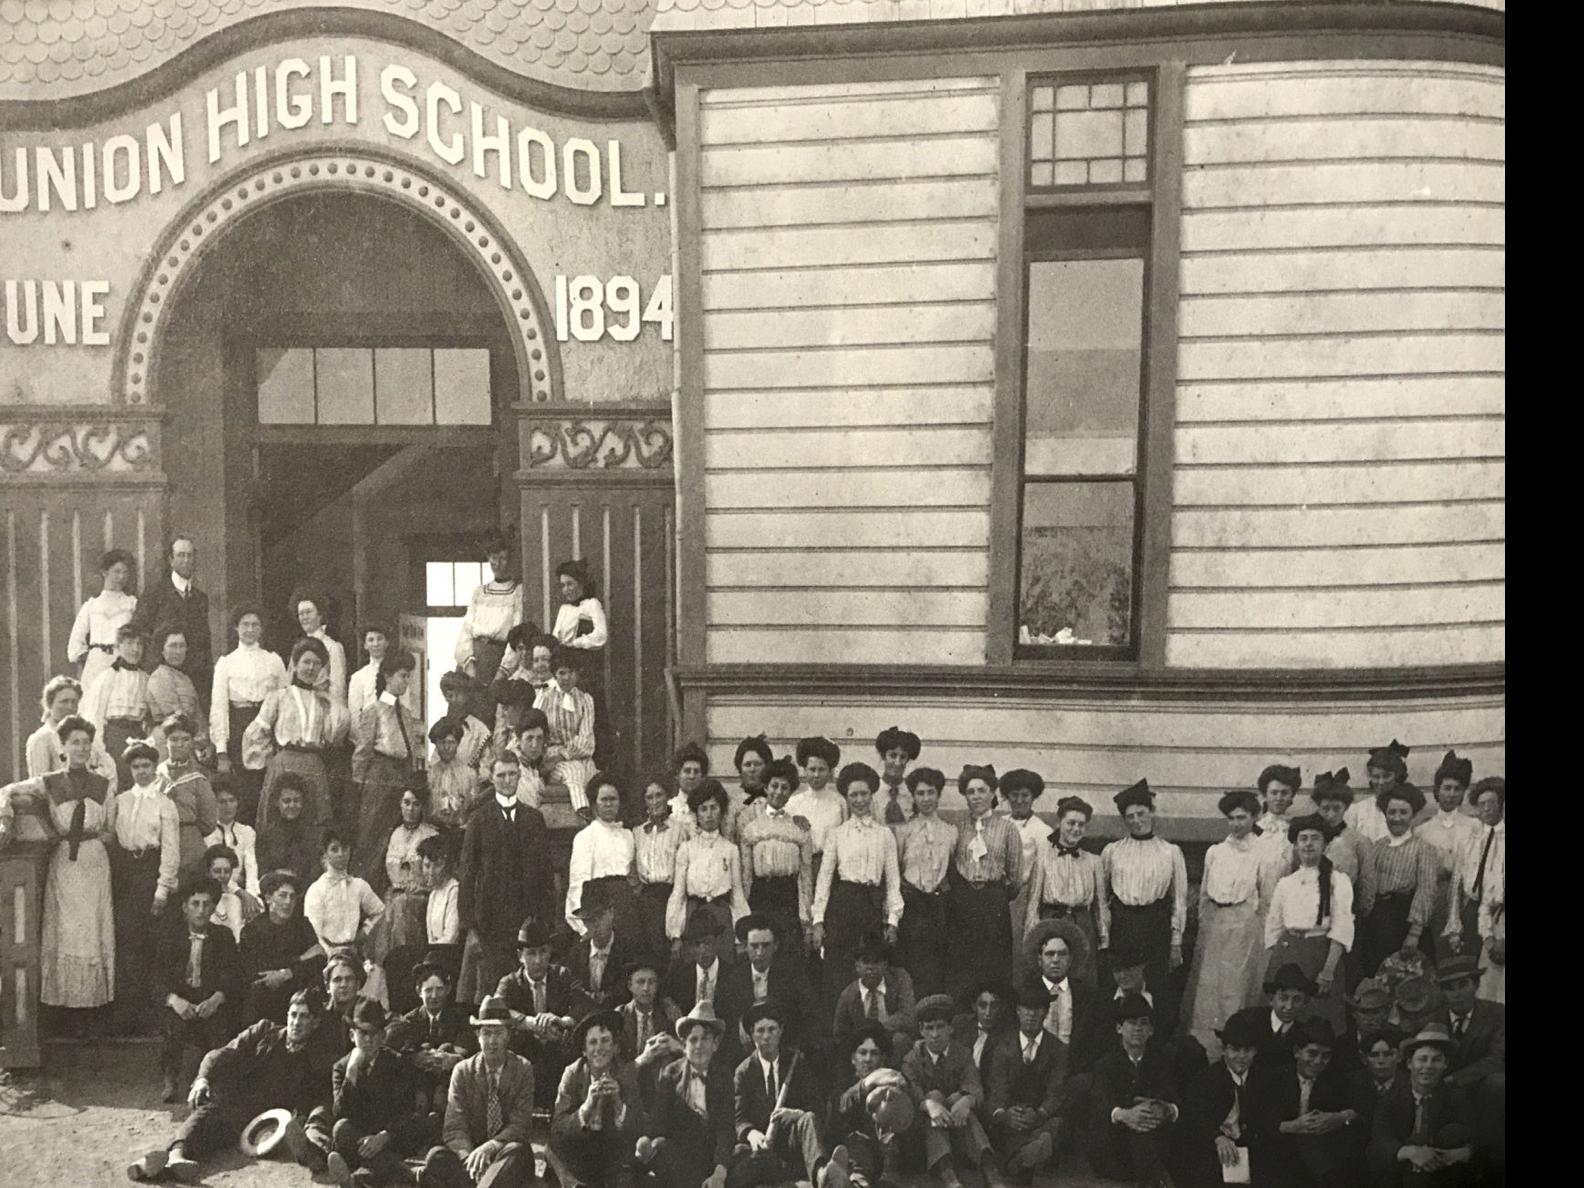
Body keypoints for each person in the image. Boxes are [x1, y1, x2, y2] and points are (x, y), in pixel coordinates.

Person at [128, 987, 337, 1182]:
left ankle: (157, 1162)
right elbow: (219, 1054)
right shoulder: (265, 1031)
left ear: (316, 1022)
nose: (296, 1022)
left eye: (304, 1016)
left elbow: (317, 1097)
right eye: (293, 1014)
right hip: (236, 1104)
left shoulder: (316, 1057)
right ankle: (173, 1155)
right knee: (208, 1119)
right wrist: (202, 1079)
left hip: (267, 1124)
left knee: (218, 1136)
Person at [0, 715, 117, 1032]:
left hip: (94, 862)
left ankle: (92, 1011)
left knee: (93, 930)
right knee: (67, 931)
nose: (81, 748)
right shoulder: (49, 782)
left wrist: (100, 837)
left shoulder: (103, 783)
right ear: (62, 747)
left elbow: (110, 827)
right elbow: (7, 791)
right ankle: (65, 1013)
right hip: (65, 862)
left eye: (86, 742)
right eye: (75, 742)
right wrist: (6, 817)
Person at [1183, 789, 1283, 1051]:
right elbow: (1204, 893)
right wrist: (1205, 926)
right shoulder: (1216, 851)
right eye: (1231, 818)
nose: (1236, 824)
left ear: (1254, 817)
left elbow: (1269, 899)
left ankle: (1236, 1041)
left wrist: (1261, 938)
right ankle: (1206, 1045)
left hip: (1245, 924)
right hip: (1216, 923)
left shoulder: (1265, 853)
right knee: (1209, 985)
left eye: (1242, 817)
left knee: (1236, 985)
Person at [456, 751, 555, 1003]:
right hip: (491, 924)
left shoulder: (534, 819)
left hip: (527, 922)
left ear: (520, 776)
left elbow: (545, 874)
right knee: (493, 994)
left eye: (512, 774)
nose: (507, 780)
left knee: (527, 991)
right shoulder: (479, 819)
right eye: (501, 775)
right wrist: (470, 924)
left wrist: (545, 919)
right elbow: (467, 873)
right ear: (492, 778)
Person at [419, 994, 538, 1188]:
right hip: (470, 1156)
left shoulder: (522, 1068)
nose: (492, 1041)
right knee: (435, 1156)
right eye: (486, 1033)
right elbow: (454, 1127)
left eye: (498, 1033)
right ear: (477, 1036)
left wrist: (490, 1148)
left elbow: (520, 1124)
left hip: (504, 1151)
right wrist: (471, 1159)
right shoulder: (463, 1070)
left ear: (508, 1034)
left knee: (517, 1151)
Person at [811, 762, 903, 1003]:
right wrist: (818, 921)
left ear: (871, 795)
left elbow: (893, 882)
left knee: (870, 971)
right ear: (847, 797)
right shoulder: (837, 834)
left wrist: (893, 921)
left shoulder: (884, 835)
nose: (859, 800)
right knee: (839, 970)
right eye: (854, 795)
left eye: (864, 794)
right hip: (843, 906)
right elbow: (824, 880)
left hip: (871, 908)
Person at [729, 1000, 844, 1188]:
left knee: (808, 1118)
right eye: (760, 1031)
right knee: (742, 1160)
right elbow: (739, 1118)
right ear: (751, 1035)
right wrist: (751, 1133)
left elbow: (816, 1107)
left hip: (792, 1144)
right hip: (762, 1147)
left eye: (772, 1029)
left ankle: (822, 1174)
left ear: (781, 1031)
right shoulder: (744, 1072)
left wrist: (796, 1114)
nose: (766, 1036)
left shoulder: (796, 1062)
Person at [110, 736, 180, 1032]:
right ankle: (128, 1014)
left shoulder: (165, 804)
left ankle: (154, 1014)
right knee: (128, 944)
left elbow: (171, 849)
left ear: (155, 767)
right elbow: (112, 840)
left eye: (146, 765)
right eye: (136, 766)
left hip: (151, 872)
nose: (141, 771)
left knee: (154, 945)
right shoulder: (120, 801)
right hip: (126, 874)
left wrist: (162, 888)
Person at [245, 636, 351, 830]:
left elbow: (334, 737)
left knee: (314, 822)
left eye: (317, 663)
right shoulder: (279, 696)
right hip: (284, 763)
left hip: (313, 766)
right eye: (306, 662)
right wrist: (270, 763)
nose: (311, 668)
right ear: (295, 664)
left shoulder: (324, 703)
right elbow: (257, 734)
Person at [322, 998, 429, 1188]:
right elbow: (339, 1112)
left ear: (383, 1035)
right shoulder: (342, 1067)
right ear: (352, 1035)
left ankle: (359, 1179)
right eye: (362, 1033)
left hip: (389, 1138)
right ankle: (396, 1173)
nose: (369, 1040)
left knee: (403, 1138)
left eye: (374, 1033)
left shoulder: (396, 1063)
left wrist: (385, 1136)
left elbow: (407, 1111)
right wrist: (352, 1073)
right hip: (359, 1141)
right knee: (341, 1129)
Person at [153, 875, 241, 1103]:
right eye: (195, 904)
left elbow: (231, 974)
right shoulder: (169, 936)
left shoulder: (223, 937)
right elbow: (157, 977)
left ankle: (213, 1079)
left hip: (209, 1001)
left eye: (206, 904)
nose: (201, 910)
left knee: (220, 1032)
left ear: (213, 908)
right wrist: (174, 1000)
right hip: (181, 1001)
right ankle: (170, 1078)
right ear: (185, 907)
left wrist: (216, 999)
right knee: (173, 1028)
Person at [902, 993, 1004, 1188]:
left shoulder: (962, 1054)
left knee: (959, 1097)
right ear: (921, 1031)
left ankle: (989, 1168)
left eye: (940, 1027)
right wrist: (929, 1105)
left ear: (950, 1028)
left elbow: (975, 1086)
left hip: (961, 1132)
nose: (935, 1034)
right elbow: (911, 1093)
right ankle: (947, 1172)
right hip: (925, 1140)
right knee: (934, 1096)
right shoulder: (912, 1059)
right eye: (929, 1028)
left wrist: (967, 1101)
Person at [1099, 780, 1188, 1002]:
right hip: (1123, 925)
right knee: (1122, 985)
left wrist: (1176, 942)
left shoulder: (1170, 852)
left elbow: (1179, 900)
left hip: (1155, 925)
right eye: (1130, 816)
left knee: (1155, 984)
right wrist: (1105, 936)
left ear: (1151, 812)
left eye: (1141, 813)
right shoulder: (1112, 852)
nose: (1136, 821)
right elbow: (1101, 897)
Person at [1265, 813, 1355, 1030]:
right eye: (1303, 839)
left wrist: (1327, 971)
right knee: (1285, 1015)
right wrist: (1274, 965)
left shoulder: (1338, 880)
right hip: (1287, 953)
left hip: (1320, 955)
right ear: (1295, 845)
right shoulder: (1286, 883)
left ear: (1325, 844)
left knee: (1317, 1017)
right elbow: (1274, 927)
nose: (1308, 844)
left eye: (1315, 838)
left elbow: (1342, 927)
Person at [1246, 1017, 1358, 1187]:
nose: (1318, 1062)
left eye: (1326, 1056)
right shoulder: (1272, 1079)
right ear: (1297, 1051)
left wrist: (1341, 1117)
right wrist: (1292, 1126)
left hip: (1318, 1156)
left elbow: (1357, 1109)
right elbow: (1257, 1122)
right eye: (1312, 1053)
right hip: (1277, 1154)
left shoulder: (1335, 1080)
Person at [1084, 993, 1180, 1187]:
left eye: (1144, 1023)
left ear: (1151, 1030)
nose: (1138, 1028)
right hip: (1116, 1143)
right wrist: (1125, 1114)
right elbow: (1101, 1103)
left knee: (1151, 1133)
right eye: (1131, 1022)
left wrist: (1165, 1109)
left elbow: (1175, 1100)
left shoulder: (1161, 1062)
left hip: (1152, 1135)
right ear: (1119, 1028)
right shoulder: (1105, 1064)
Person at [638, 1002, 737, 1188]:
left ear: (715, 1044)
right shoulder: (670, 1073)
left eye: (705, 1039)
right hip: (681, 1157)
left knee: (746, 1159)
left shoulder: (723, 1076)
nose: (699, 1046)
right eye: (693, 1039)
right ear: (684, 1044)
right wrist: (645, 1141)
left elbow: (726, 1128)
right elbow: (657, 1121)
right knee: (658, 1145)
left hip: (711, 1156)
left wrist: (719, 1172)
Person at [1364, 1024, 1475, 1187]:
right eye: (1422, 1059)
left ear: (1445, 1065)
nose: (1428, 1066)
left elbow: (1478, 1139)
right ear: (1409, 1063)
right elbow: (1377, 1146)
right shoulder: (1391, 1098)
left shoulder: (1455, 1096)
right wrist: (1410, 1152)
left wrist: (1462, 1153)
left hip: (1442, 1174)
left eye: (1436, 1060)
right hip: (1401, 1176)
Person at [548, 1009, 646, 1188]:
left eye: (605, 1041)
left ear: (615, 1047)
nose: (599, 1048)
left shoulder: (626, 1073)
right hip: (581, 1154)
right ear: (584, 1051)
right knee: (553, 1156)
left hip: (613, 1157)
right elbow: (558, 1129)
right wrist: (586, 1107)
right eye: (592, 1043)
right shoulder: (573, 1073)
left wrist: (618, 1103)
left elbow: (638, 1127)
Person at [947, 765, 1021, 998]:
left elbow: (1016, 876)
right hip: (963, 901)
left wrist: (995, 893)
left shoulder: (1008, 829)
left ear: (992, 793)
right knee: (963, 962)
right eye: (971, 791)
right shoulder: (957, 827)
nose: (976, 796)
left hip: (993, 902)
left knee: (994, 964)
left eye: (982, 790)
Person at [210, 605, 287, 826]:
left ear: (261, 629)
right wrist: (222, 752)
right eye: (245, 624)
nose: (250, 629)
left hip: (267, 727)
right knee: (243, 794)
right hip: (239, 728)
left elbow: (284, 701)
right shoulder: (226, 663)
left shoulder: (274, 660)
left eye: (255, 625)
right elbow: (219, 707)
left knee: (269, 789)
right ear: (236, 628)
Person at [352, 651, 425, 877]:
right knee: (373, 834)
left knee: (398, 832)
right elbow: (362, 750)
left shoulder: (404, 712)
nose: (406, 681)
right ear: (387, 676)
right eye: (403, 676)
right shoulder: (373, 710)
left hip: (402, 776)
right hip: (380, 776)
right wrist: (358, 784)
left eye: (408, 677)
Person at [985, 981, 1068, 1181]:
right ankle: (1029, 1156)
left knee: (1056, 1126)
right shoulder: (1001, 1046)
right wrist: (1006, 1114)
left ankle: (1029, 1155)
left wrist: (1039, 1113)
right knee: (1011, 1134)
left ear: (1046, 1012)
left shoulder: (1058, 1049)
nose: (1031, 1014)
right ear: (1018, 1011)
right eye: (1026, 1009)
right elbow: (997, 1088)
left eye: (1037, 1009)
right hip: (1012, 1119)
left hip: (1041, 1117)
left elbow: (1056, 1091)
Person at [1171, 1008, 1262, 1188]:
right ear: (1223, 1049)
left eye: (1248, 1050)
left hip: (1246, 1148)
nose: (1242, 1057)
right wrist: (1217, 1137)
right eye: (1235, 1049)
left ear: (1256, 1051)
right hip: (1210, 1147)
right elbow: (1194, 1119)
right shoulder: (1206, 1079)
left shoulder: (1260, 1080)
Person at [737, 756, 814, 965]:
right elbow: (746, 875)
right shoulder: (751, 828)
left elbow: (806, 877)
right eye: (774, 786)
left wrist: (806, 917)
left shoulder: (800, 828)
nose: (778, 792)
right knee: (760, 955)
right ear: (766, 787)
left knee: (788, 957)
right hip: (761, 897)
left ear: (791, 792)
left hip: (788, 899)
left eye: (785, 787)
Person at [1357, 782, 1438, 976]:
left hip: (1406, 920)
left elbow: (1426, 891)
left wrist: (1414, 934)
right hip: (1377, 922)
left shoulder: (1423, 849)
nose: (1397, 818)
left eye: (1403, 812)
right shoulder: (1375, 847)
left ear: (1413, 814)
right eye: (1391, 812)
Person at [1432, 954, 1504, 1172]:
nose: (1457, 993)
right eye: (1449, 987)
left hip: (1485, 1095)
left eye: (1463, 984)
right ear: (1442, 992)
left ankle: (1486, 1154)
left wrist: (1457, 1079)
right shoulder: (1434, 1018)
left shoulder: (1498, 1014)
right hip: (1445, 1097)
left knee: (1498, 1082)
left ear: (1476, 984)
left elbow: (1499, 1058)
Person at [495, 918, 578, 1106]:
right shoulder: (509, 983)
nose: (538, 960)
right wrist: (530, 1023)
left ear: (550, 951)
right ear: (520, 956)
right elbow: (496, 1010)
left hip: (558, 1061)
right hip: (524, 1060)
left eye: (543, 952)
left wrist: (562, 1021)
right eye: (531, 954)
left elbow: (583, 1006)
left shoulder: (563, 975)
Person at [666, 778, 749, 958]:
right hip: (694, 915)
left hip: (722, 916)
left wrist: (740, 936)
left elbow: (737, 894)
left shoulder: (730, 849)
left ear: (721, 812)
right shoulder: (686, 849)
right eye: (703, 809)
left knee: (724, 968)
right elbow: (678, 893)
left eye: (714, 808)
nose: (709, 814)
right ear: (696, 814)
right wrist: (675, 933)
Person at [129, 535, 214, 705]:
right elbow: (138, 632)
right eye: (181, 555)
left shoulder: (200, 598)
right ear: (171, 560)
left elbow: (205, 643)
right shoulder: (154, 594)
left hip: (195, 680)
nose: (186, 560)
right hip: (163, 680)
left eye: (190, 555)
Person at [830, 1019, 916, 1188]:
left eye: (874, 1053)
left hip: (890, 1158)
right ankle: (856, 1181)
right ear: (853, 1058)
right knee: (857, 1141)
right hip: (858, 1155)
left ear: (883, 1058)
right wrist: (866, 1084)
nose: (868, 1059)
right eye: (862, 1053)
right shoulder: (842, 1086)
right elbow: (839, 1110)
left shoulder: (893, 1078)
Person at [894, 766, 956, 997]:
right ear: (914, 796)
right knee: (912, 966)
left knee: (937, 967)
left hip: (938, 907)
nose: (926, 798)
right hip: (912, 907)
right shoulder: (904, 832)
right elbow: (898, 869)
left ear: (939, 795)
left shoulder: (951, 832)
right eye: (920, 793)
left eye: (931, 792)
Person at [1022, 795, 1105, 964]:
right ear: (1060, 823)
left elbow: (1100, 905)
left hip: (1082, 926)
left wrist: (1104, 938)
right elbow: (1033, 904)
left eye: (1081, 825)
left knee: (1080, 976)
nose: (1075, 829)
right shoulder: (1043, 859)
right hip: (1051, 924)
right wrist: (1032, 939)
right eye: (1071, 823)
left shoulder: (1094, 861)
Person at [366, 789, 440, 975]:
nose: (411, 808)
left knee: (401, 907)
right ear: (400, 805)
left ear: (422, 806)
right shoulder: (395, 834)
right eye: (406, 803)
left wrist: (422, 887)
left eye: (416, 804)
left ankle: (404, 963)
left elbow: (438, 873)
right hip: (395, 893)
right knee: (385, 915)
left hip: (423, 896)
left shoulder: (430, 833)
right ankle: (384, 970)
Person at [388, 959, 478, 1110]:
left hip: (450, 1083)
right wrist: (415, 1057)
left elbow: (464, 1048)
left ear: (448, 989)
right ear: (419, 991)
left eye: (439, 989)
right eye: (428, 990)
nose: (434, 996)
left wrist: (451, 1058)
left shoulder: (459, 1017)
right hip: (417, 1086)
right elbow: (399, 1049)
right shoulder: (410, 1020)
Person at [240, 868, 326, 1024]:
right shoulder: (252, 930)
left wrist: (287, 973)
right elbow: (259, 970)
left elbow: (319, 959)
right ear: (268, 898)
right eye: (282, 895)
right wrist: (300, 958)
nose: (288, 902)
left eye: (292, 897)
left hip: (297, 993)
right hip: (266, 999)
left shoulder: (302, 925)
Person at [1415, 752, 1479, 953]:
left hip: (1468, 898)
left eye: (1457, 789)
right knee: (1441, 951)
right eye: (1447, 788)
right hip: (1436, 898)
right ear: (1437, 790)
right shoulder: (1423, 830)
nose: (1451, 794)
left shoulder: (1474, 826)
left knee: (1467, 950)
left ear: (1463, 793)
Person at [720, 914, 813, 1052]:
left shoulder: (792, 977)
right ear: (745, 946)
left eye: (765, 945)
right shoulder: (734, 979)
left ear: (775, 946)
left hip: (783, 1049)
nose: (760, 952)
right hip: (745, 1052)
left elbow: (808, 1016)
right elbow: (726, 1019)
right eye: (754, 946)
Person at [1443, 777, 1504, 985]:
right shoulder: (1470, 840)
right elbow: (1457, 883)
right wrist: (1455, 923)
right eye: (1481, 804)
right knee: (1469, 968)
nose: (1486, 809)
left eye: (1491, 803)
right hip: (1471, 908)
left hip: (1497, 913)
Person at [550, 558, 609, 760]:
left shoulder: (592, 605)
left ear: (581, 584)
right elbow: (556, 637)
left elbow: (601, 635)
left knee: (588, 714)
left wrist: (577, 643)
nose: (566, 590)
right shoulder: (564, 610)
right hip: (565, 665)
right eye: (563, 585)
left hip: (585, 668)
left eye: (570, 584)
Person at [80, 624, 153, 787]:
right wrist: (97, 752)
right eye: (129, 643)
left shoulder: (146, 679)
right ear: (118, 647)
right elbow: (94, 716)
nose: (135, 649)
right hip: (114, 738)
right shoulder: (107, 677)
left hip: (138, 737)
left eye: (139, 644)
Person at [565, 771, 636, 936]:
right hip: (599, 907)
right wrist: (583, 927)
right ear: (594, 803)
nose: (609, 804)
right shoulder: (586, 836)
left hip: (625, 907)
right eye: (604, 799)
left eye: (613, 799)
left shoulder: (628, 835)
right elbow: (578, 883)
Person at [833, 932, 919, 1066]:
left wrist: (877, 1029)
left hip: (891, 1042)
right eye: (866, 961)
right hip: (863, 1046)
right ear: (857, 966)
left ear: (885, 964)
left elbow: (908, 1017)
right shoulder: (848, 995)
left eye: (876, 961)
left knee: (901, 1040)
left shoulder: (900, 979)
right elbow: (839, 1034)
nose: (871, 967)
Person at [1023, 919, 1098, 1067]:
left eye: (1062, 954)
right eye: (1050, 954)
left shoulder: (1086, 995)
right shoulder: (1026, 992)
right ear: (1039, 959)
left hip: (1075, 1069)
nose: (1056, 960)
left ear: (1070, 960)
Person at [534, 647, 598, 818]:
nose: (567, 678)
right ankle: (583, 812)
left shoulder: (585, 700)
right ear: (555, 674)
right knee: (574, 772)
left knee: (592, 774)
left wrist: (564, 754)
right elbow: (533, 726)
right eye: (562, 673)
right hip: (551, 757)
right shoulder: (545, 697)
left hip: (574, 755)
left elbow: (586, 741)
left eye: (572, 672)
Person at [455, 535, 526, 685]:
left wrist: (502, 671)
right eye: (493, 558)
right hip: (474, 659)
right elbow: (466, 630)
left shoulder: (517, 592)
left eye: (502, 558)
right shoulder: (479, 592)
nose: (497, 563)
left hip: (498, 659)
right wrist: (469, 665)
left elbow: (516, 635)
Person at [26, 674, 118, 788]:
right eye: (64, 701)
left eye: (74, 702)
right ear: (50, 704)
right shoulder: (42, 738)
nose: (70, 707)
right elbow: (40, 783)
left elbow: (109, 768)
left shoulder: (88, 734)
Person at [67, 547, 138, 692]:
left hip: (122, 664)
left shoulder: (131, 603)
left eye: (125, 572)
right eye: (117, 572)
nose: (121, 577)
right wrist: (95, 657)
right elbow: (75, 644)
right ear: (104, 572)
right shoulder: (91, 606)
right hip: (96, 667)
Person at [305, 829, 385, 956]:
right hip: (327, 954)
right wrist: (330, 953)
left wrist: (365, 930)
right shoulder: (317, 889)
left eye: (345, 848)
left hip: (354, 952)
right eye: (334, 849)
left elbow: (380, 912)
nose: (341, 854)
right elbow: (314, 933)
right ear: (325, 854)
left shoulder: (359, 885)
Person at [157, 713, 218, 877]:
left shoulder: (199, 777)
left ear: (192, 742)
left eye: (185, 739)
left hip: (189, 842)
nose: (179, 744)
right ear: (166, 742)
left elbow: (208, 822)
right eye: (174, 739)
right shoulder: (156, 774)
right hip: (159, 841)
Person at [634, 776, 688, 959]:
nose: (655, 801)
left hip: (672, 897)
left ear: (667, 797)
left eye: (659, 795)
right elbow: (632, 870)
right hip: (646, 900)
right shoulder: (637, 833)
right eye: (650, 797)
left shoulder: (681, 830)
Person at [566, 887, 638, 1014]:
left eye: (599, 916)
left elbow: (624, 993)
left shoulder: (629, 951)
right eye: (588, 920)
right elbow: (574, 991)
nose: (595, 924)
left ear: (611, 913)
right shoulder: (577, 953)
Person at [1000, 770, 1048, 944]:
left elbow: (1042, 870)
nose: (1019, 800)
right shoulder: (1000, 823)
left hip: (1024, 896)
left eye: (1024, 795)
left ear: (1033, 797)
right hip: (998, 895)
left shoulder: (1042, 830)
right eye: (1014, 795)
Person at [146, 627, 209, 761]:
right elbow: (175, 715)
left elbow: (198, 714)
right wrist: (196, 740)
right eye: (173, 646)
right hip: (167, 740)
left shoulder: (185, 678)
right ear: (162, 650)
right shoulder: (159, 676)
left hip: (187, 739)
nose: (178, 651)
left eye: (182, 646)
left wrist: (205, 742)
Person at [787, 736, 846, 872]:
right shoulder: (794, 802)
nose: (816, 775)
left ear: (830, 771)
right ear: (805, 770)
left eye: (822, 769)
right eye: (812, 769)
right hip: (801, 865)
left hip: (832, 866)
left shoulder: (839, 802)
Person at [1351, 740, 1423, 844]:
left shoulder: (1408, 808)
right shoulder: (1358, 810)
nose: (1381, 782)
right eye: (1376, 777)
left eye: (1386, 776)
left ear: (1397, 776)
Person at [256, 774, 325, 884]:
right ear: (277, 802)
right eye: (286, 801)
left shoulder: (313, 833)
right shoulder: (267, 834)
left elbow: (316, 870)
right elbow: (262, 871)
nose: (292, 805)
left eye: (297, 800)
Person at [289, 587, 348, 706]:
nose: (304, 617)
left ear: (320, 614)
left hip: (322, 707)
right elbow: (289, 681)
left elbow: (338, 688)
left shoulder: (333, 647)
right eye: (301, 614)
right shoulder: (298, 647)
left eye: (309, 612)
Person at [1251, 966, 1316, 1072]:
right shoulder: (1253, 1023)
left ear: (1304, 1002)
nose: (1289, 1006)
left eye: (1297, 999)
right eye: (1283, 998)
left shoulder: (1305, 1034)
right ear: (1272, 999)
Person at [206, 782, 261, 901]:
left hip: (240, 893)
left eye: (232, 800)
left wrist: (252, 896)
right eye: (222, 802)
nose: (228, 806)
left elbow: (251, 866)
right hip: (213, 891)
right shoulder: (207, 832)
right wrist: (239, 892)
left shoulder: (247, 832)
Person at [954, 979, 1015, 1086]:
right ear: (974, 1006)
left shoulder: (1008, 1033)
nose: (988, 1013)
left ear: (1001, 1007)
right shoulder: (961, 1025)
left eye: (994, 1006)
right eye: (982, 1006)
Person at [427, 717, 483, 830]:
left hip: (461, 831)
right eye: (442, 743)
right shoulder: (430, 775)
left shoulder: (469, 774)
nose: (447, 747)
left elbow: (474, 809)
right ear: (436, 744)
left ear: (458, 743)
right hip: (433, 831)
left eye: (451, 742)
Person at [437, 670, 495, 773]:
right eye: (449, 696)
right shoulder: (443, 728)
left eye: (458, 695)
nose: (453, 700)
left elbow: (486, 767)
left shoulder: (479, 730)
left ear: (466, 695)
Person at [346, 623, 392, 750]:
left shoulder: (395, 675)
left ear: (387, 642)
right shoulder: (358, 677)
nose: (376, 644)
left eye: (380, 639)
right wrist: (363, 743)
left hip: (391, 740)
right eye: (371, 640)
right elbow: (354, 714)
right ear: (365, 645)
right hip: (367, 743)